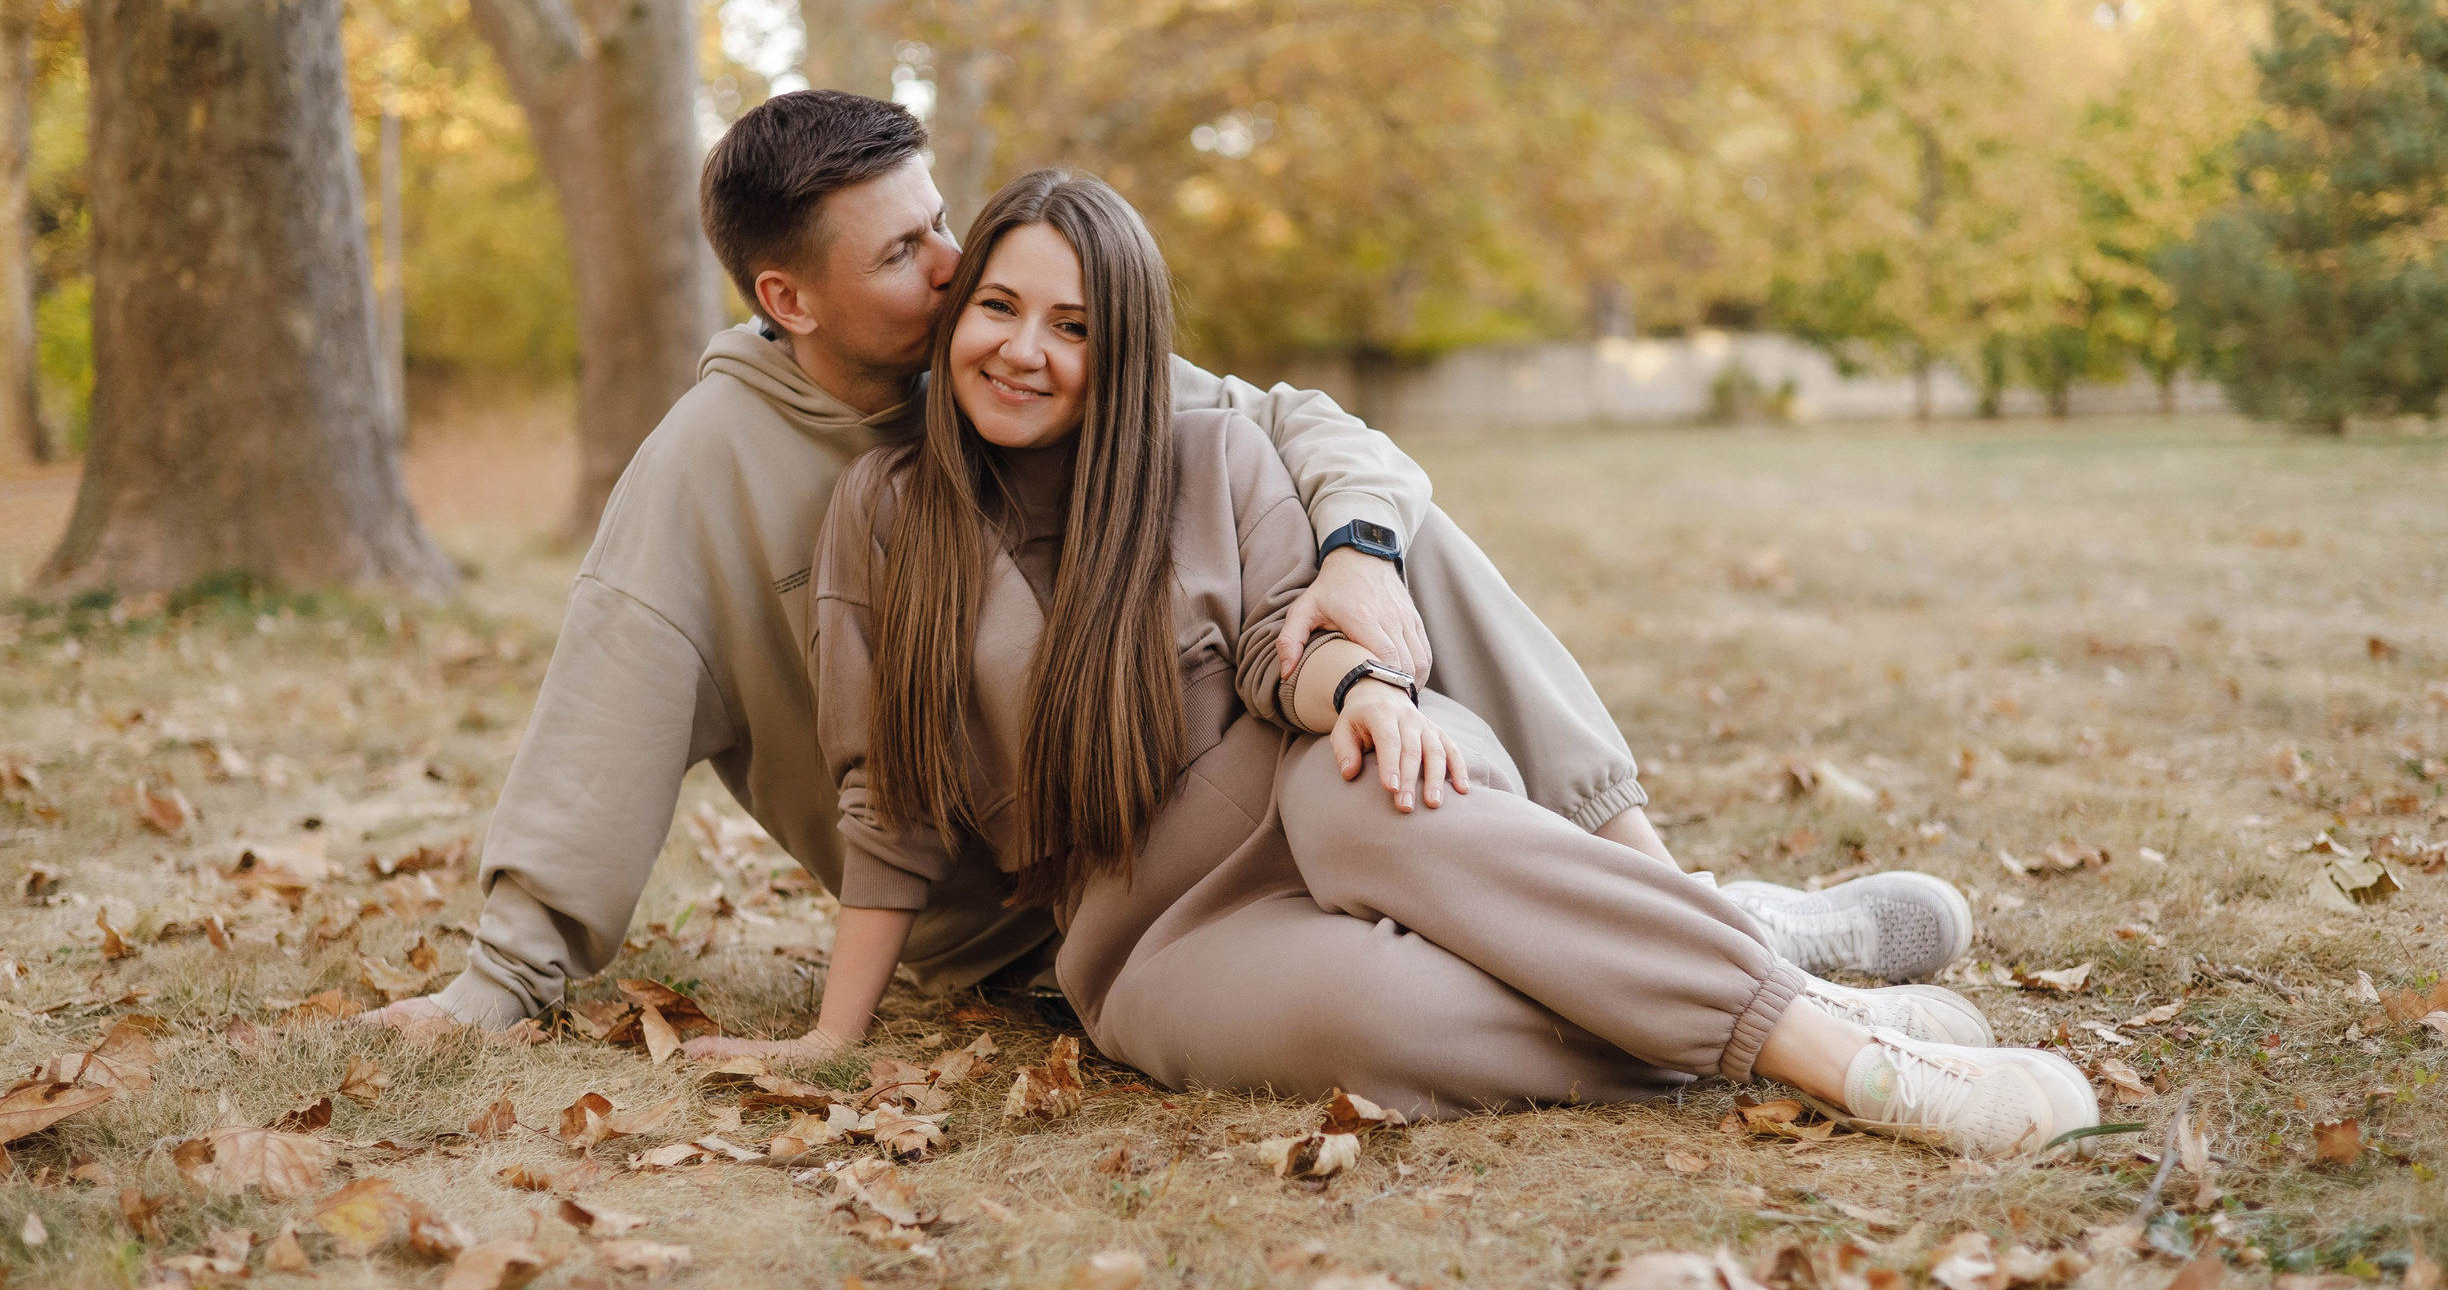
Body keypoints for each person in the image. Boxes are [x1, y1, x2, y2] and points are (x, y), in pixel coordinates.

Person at [361, 90, 1972, 1042]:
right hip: (1038, 913)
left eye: (946, 228)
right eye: (912, 254)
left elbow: (1282, 420)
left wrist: (1353, 555)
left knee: (1392, 525)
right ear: (790, 301)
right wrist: (501, 983)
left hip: (1207, 763)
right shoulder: (704, 480)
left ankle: (1668, 897)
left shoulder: (995, 359)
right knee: (1394, 988)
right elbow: (605, 714)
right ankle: (1739, 973)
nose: (957, 270)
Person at [702, 168, 2100, 1157]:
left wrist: (1364, 690)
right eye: (1000, 308)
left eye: (1074, 325)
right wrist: (835, 1035)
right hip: (1158, 933)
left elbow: (1275, 651)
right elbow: (881, 796)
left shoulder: (1209, 453)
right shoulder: (882, 522)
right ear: (956, 321)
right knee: (1385, 1021)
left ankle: (1862, 1070)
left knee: (1355, 786)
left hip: (1333, 785)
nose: (1026, 351)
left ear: (1122, 346)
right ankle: (1762, 974)